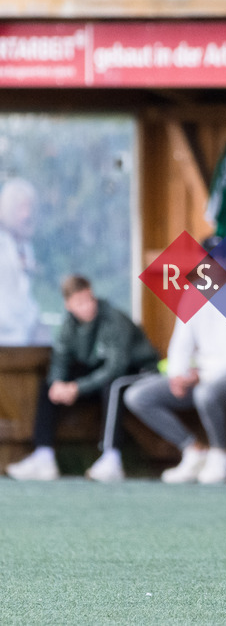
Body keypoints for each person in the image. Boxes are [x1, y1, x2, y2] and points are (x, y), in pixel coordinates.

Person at [124, 238, 226, 484]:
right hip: (197, 376)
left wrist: (200, 376)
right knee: (137, 396)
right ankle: (193, 451)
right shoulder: (194, 293)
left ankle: (220, 455)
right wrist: (177, 376)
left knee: (205, 394)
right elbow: (181, 343)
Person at [5, 275, 160, 482]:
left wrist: (78, 388)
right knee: (49, 386)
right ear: (68, 305)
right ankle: (44, 455)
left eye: (89, 299)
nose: (87, 306)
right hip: (98, 378)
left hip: (138, 372)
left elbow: (116, 368)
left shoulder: (114, 320)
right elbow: (60, 359)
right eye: (80, 302)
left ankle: (112, 458)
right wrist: (59, 384)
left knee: (113, 386)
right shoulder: (69, 325)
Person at [0, 177, 44, 345]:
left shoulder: (25, 246)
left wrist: (35, 321)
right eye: (21, 208)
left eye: (30, 207)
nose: (27, 214)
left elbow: (23, 295)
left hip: (22, 339)